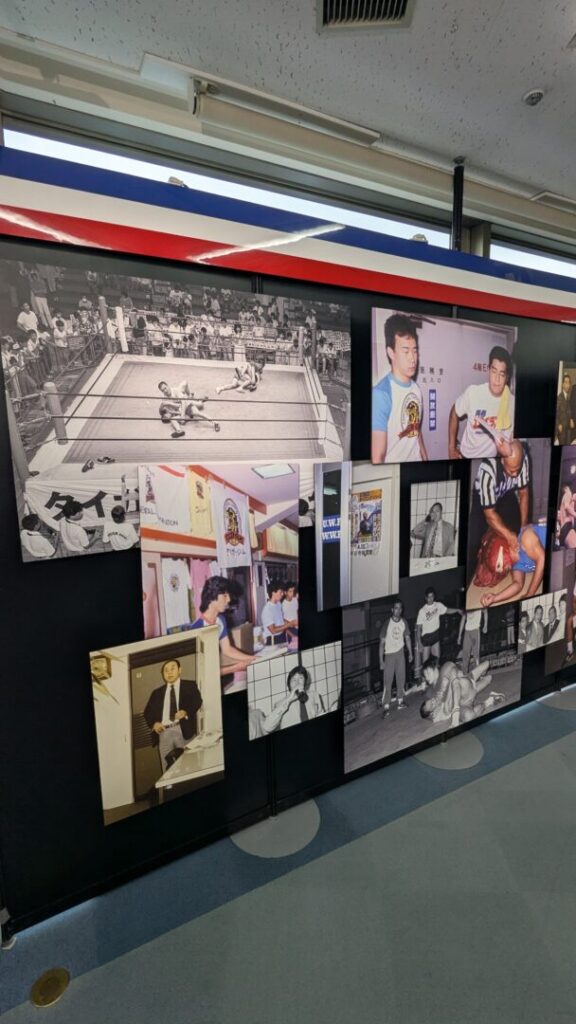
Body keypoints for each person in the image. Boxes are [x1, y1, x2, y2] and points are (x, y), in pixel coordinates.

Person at [371, 313, 428, 464]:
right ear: (391, 353)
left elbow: (415, 430)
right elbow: (377, 457)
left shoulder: (416, 389)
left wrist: (425, 459)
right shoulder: (381, 394)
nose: (412, 358)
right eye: (406, 351)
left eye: (414, 350)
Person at [449, 345, 515, 459]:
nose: (497, 379)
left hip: (490, 460)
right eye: (494, 372)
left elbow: (511, 441)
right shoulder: (473, 393)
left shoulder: (511, 403)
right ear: (488, 370)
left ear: (507, 378)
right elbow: (454, 413)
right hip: (466, 456)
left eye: (502, 374)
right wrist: (451, 448)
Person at [474, 440, 529, 563]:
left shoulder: (522, 458)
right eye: (511, 471)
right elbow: (489, 515)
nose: (515, 475)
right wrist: (509, 536)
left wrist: (523, 528)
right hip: (483, 499)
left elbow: (524, 493)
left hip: (506, 493)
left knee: (517, 529)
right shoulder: (488, 469)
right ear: (502, 460)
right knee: (475, 541)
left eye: (517, 470)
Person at [143, 659, 203, 771]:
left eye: (172, 669)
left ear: (179, 670)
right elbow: (147, 712)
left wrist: (186, 712)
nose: (169, 672)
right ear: (163, 674)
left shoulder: (190, 685)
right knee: (168, 769)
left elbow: (197, 701)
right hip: (164, 733)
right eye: (166, 670)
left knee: (191, 765)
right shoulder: (156, 693)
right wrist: (154, 724)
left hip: (184, 729)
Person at [190, 576, 255, 679]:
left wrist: (254, 658)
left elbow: (227, 649)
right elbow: (201, 671)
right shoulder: (197, 629)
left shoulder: (220, 620)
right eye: (225, 595)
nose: (229, 599)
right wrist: (236, 667)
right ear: (213, 597)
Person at [420, 657, 505, 727]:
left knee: (487, 670)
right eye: (425, 676)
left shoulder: (444, 670)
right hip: (464, 698)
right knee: (469, 716)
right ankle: (489, 701)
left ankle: (477, 682)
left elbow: (453, 674)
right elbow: (430, 712)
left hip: (466, 684)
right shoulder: (431, 692)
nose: (427, 677)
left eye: (427, 672)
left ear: (434, 668)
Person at [479, 523, 546, 607]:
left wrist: (530, 594)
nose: (505, 569)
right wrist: (495, 598)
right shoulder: (514, 564)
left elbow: (542, 559)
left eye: (502, 565)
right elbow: (518, 584)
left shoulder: (525, 538)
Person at [250, 665, 323, 735]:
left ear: (305, 681)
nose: (297, 682)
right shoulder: (280, 704)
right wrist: (289, 699)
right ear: (289, 684)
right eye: (294, 679)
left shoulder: (314, 695)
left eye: (301, 678)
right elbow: (267, 727)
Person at [379, 600, 413, 715]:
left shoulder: (404, 622)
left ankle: (400, 701)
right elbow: (381, 643)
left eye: (400, 608)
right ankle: (386, 706)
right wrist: (381, 661)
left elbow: (407, 638)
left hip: (400, 653)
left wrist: (410, 653)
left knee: (401, 677)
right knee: (388, 680)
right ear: (392, 610)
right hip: (389, 654)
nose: (398, 610)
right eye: (396, 608)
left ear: (401, 610)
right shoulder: (387, 623)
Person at [416, 586, 464, 661]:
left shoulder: (438, 605)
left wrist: (457, 610)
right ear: (426, 598)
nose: (430, 599)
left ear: (434, 596)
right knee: (425, 662)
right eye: (429, 597)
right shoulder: (422, 611)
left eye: (432, 596)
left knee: (437, 660)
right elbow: (418, 628)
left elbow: (447, 610)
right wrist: (419, 643)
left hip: (435, 634)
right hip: (426, 637)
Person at [459, 608, 488, 673]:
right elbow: (463, 620)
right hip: (467, 631)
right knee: (465, 653)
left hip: (475, 630)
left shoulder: (478, 604)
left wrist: (485, 625)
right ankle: (464, 673)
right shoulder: (467, 605)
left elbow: (485, 611)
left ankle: (478, 673)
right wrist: (459, 635)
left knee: (476, 654)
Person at [261, 581, 288, 645]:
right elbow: (273, 630)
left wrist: (291, 622)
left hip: (281, 636)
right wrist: (289, 625)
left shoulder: (278, 604)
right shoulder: (267, 609)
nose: (282, 594)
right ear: (273, 593)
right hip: (273, 640)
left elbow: (281, 620)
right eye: (280, 592)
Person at [555, 373, 574, 445]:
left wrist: (571, 419)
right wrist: (558, 424)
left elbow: (569, 411)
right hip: (562, 429)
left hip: (568, 429)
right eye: (566, 382)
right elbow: (556, 413)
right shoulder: (559, 397)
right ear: (562, 384)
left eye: (569, 383)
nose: (568, 385)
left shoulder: (568, 398)